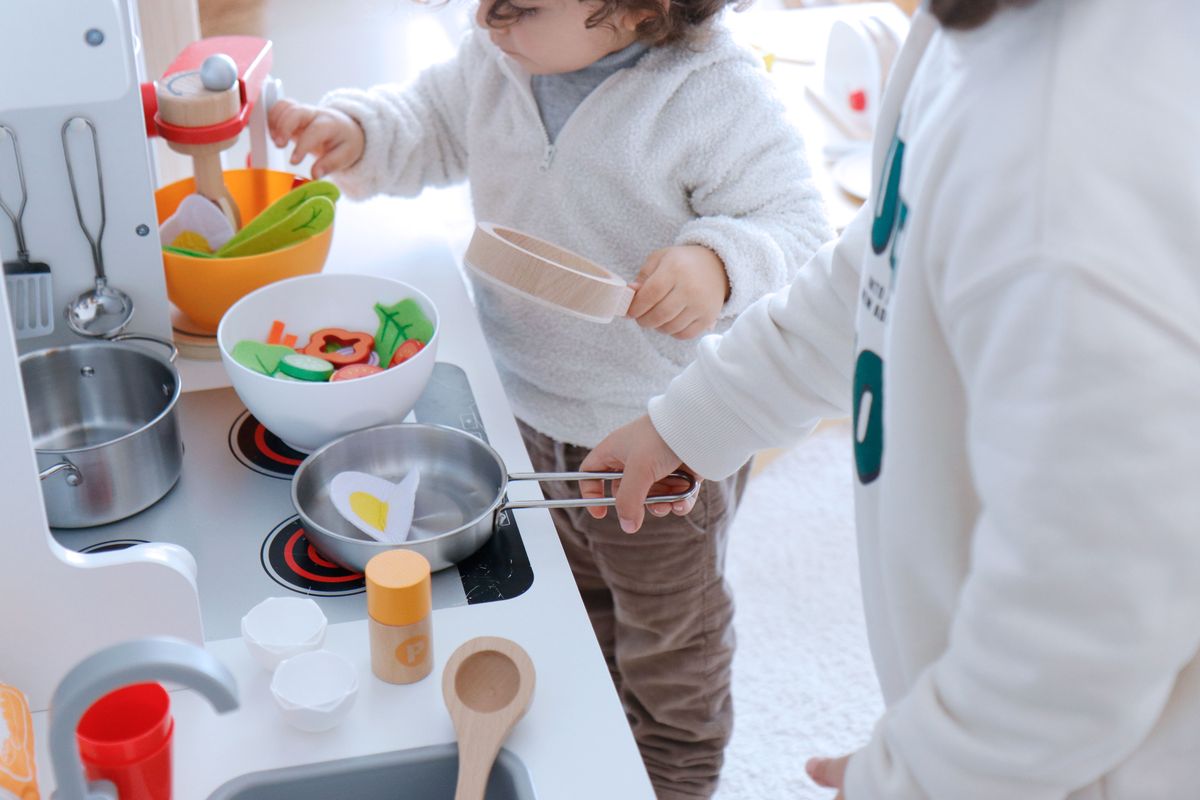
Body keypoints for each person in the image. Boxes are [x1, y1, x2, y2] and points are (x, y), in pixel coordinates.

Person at [580, 0, 1200, 797]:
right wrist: (698, 417)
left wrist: (920, 774)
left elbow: (1082, 630)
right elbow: (881, 267)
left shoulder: (1061, 185)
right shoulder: (965, 44)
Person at [267, 0, 832, 795]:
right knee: (578, 600)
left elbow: (800, 229)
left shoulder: (714, 95)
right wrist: (359, 135)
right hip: (524, 406)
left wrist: (719, 263)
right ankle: (601, 738)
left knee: (671, 641)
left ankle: (673, 775)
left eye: (515, 9)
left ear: (641, 8)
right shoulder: (500, 57)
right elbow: (429, 121)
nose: (486, 22)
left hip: (658, 436)